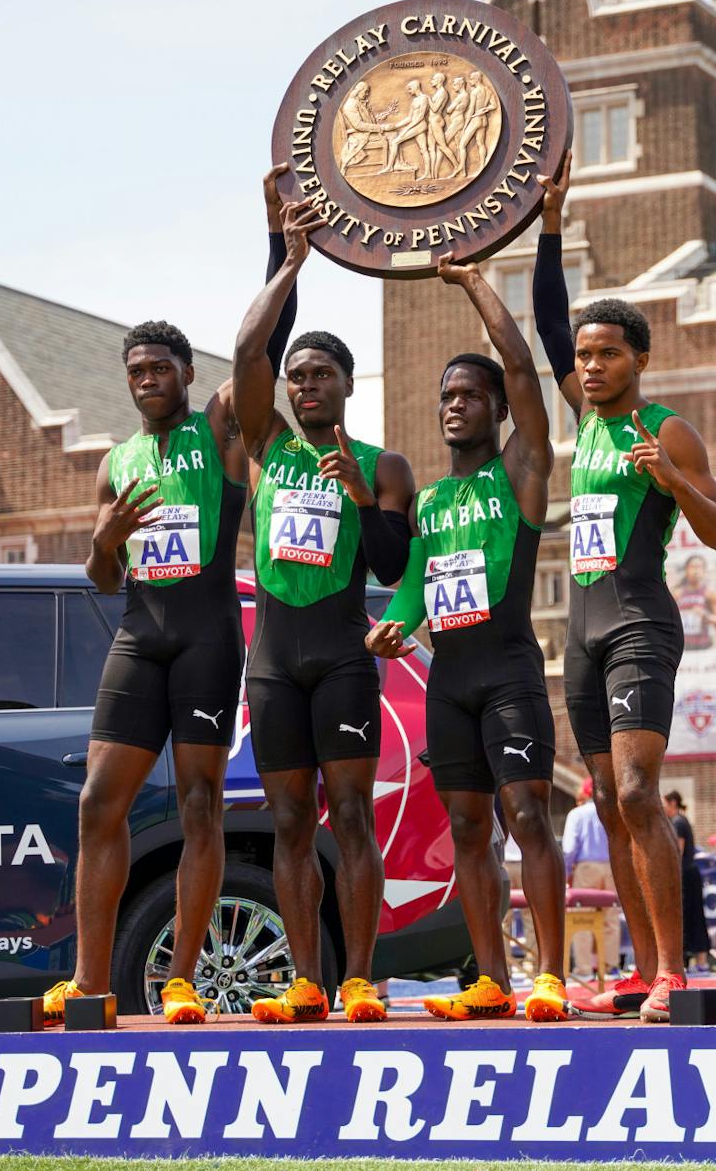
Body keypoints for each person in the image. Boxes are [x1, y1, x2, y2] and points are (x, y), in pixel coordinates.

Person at [44, 195, 323, 1027]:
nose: (146, 382)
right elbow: (100, 578)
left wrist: (284, 253)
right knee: (100, 802)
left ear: (186, 375)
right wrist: (104, 538)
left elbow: (258, 349)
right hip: (140, 634)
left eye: (159, 369)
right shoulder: (117, 461)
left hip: (206, 637)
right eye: (135, 372)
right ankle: (91, 982)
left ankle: (181, 978)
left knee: (199, 803)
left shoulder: (220, 432)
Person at [532, 154, 716, 1022]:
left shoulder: (665, 429)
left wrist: (673, 482)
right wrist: (547, 227)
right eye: (582, 357)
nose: (588, 367)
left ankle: (672, 974)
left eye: (607, 355)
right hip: (578, 634)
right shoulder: (585, 419)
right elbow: (546, 325)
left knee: (637, 793)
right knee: (606, 805)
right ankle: (640, 969)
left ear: (639, 359)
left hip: (640, 623)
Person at [365, 255, 567, 1023]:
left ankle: (547, 975)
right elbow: (417, 580)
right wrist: (399, 623)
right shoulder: (431, 498)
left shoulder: (520, 469)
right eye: (446, 396)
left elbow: (521, 366)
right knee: (468, 828)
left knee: (527, 815)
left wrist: (472, 281)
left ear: (495, 409)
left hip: (510, 668)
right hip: (449, 679)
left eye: (469, 396)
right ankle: (491, 980)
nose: (454, 406)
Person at [237, 172, 416, 1024]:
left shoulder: (383, 465)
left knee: (349, 816)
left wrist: (354, 495)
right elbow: (248, 359)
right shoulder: (267, 447)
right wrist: (285, 254)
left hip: (343, 658)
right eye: (298, 376)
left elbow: (393, 561)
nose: (305, 386)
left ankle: (359, 979)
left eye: (321, 376)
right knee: (287, 823)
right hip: (273, 665)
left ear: (348, 386)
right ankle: (305, 978)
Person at [564, 777, 618, 978]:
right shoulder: (611, 810)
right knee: (610, 919)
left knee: (581, 918)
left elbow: (569, 848)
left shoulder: (577, 814)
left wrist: (567, 872)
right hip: (611, 866)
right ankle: (610, 966)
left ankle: (584, 968)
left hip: (586, 867)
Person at [665, 791, 711, 969]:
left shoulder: (677, 822)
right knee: (694, 917)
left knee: (686, 917)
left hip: (684, 875)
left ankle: (693, 961)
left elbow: (678, 851)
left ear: (673, 803)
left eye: (665, 803)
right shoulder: (680, 821)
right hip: (688, 874)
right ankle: (700, 961)